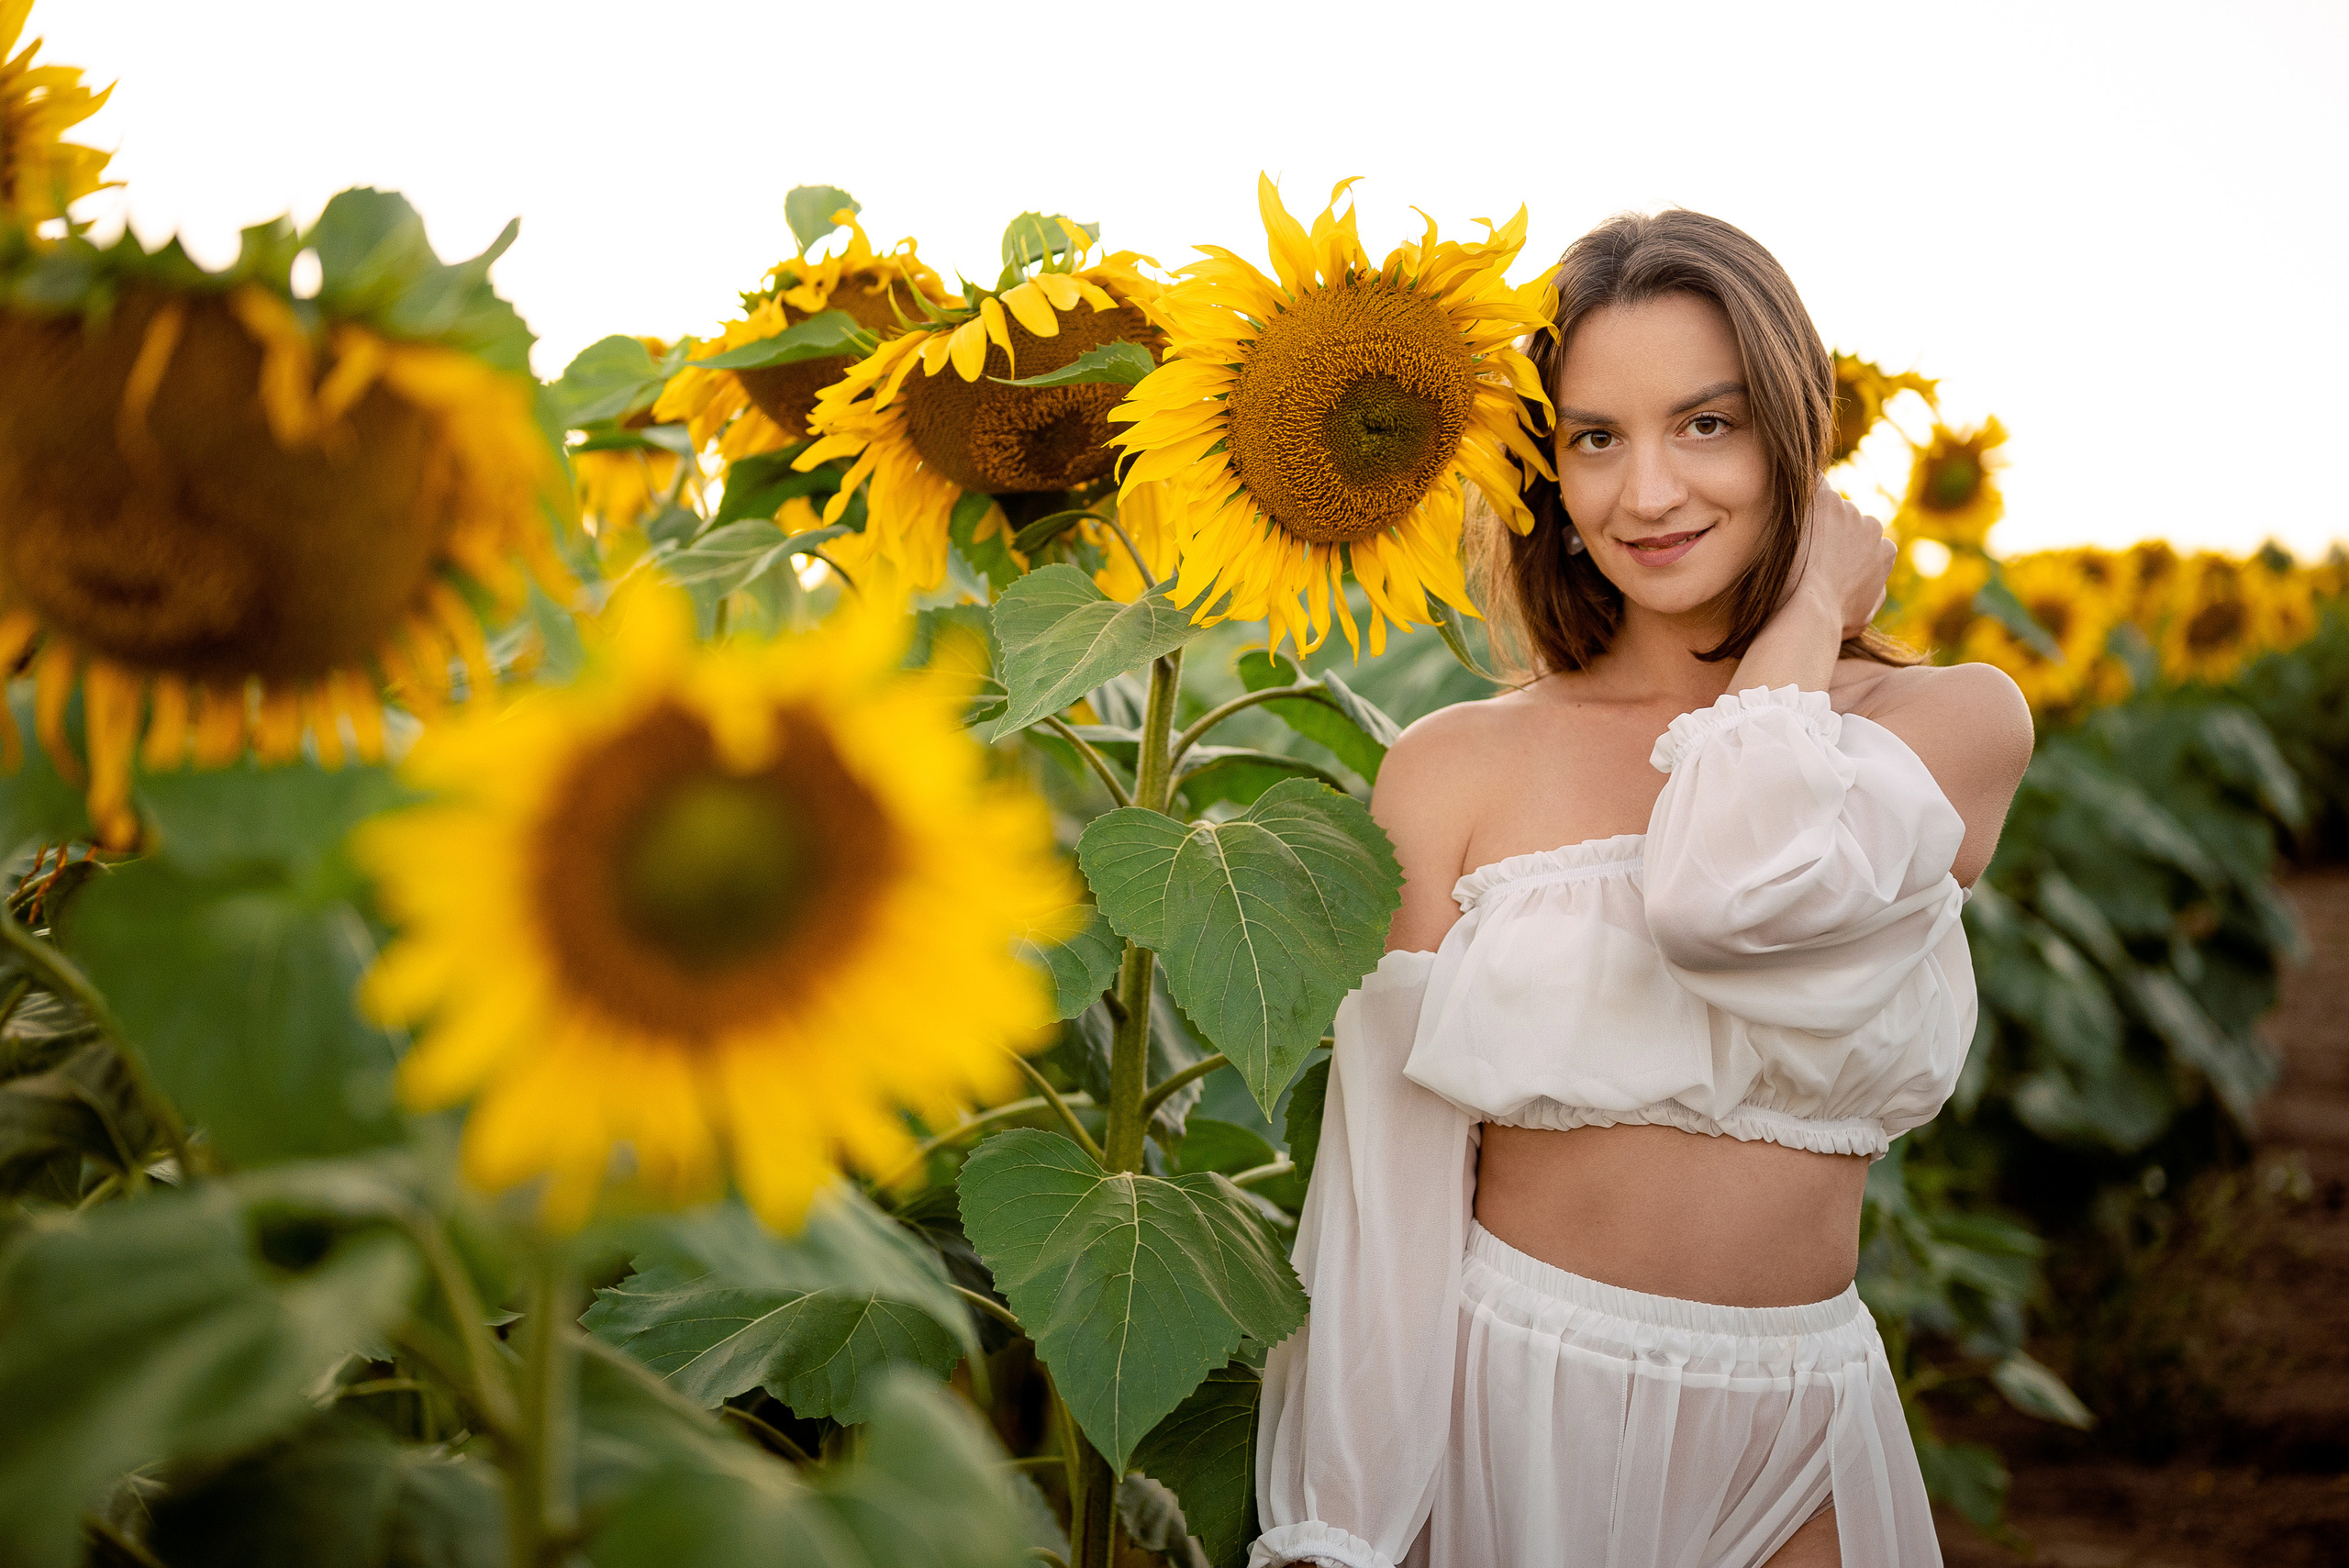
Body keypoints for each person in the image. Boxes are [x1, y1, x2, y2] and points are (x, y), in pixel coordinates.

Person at [1250, 210, 2034, 1568]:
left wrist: (1796, 627)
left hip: (1802, 1414)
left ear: (1791, 429)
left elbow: (1728, 893)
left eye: (1707, 425)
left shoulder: (1947, 728)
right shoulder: (1451, 771)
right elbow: (1389, 1184)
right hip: (1513, 1399)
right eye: (1595, 437)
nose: (1647, 491)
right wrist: (1346, 1523)